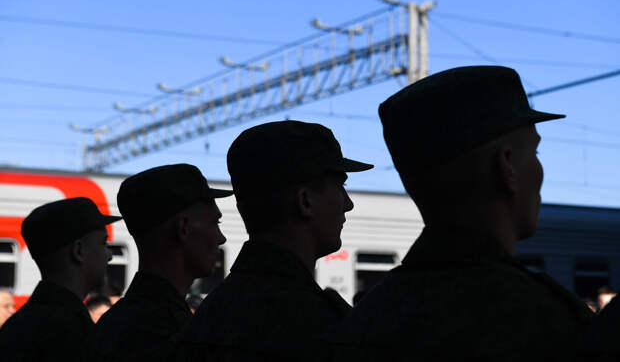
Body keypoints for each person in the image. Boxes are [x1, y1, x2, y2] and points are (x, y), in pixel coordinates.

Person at [328, 66, 593, 361]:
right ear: (507, 166)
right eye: (535, 153)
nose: (540, 170)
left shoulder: (363, 321)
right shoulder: (552, 323)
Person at [176, 120, 373, 361]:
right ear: (305, 201)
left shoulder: (206, 318)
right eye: (340, 186)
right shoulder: (325, 327)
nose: (348, 204)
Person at [86, 163, 232, 361]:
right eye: (215, 223)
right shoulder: (171, 331)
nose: (221, 238)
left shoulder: (112, 324)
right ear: (184, 228)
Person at [0, 197, 120, 361]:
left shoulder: (15, 326)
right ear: (79, 251)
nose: (110, 255)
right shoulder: (74, 332)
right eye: (103, 243)